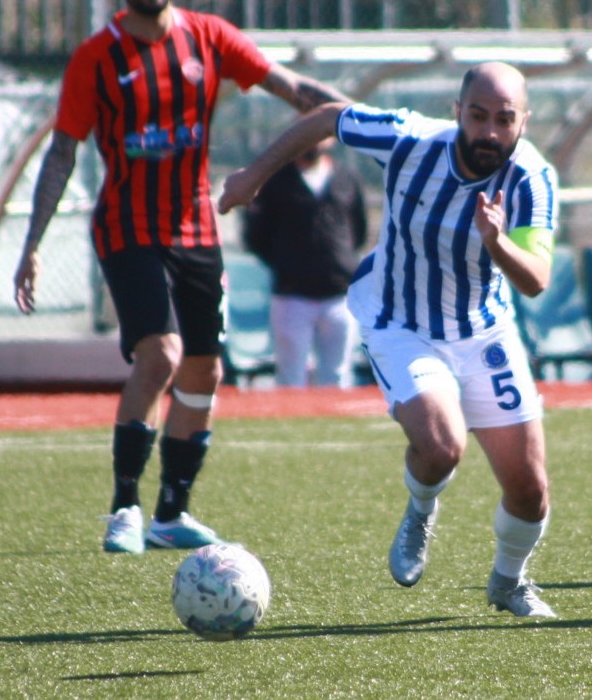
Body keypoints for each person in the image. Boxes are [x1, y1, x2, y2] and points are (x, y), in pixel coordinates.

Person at [13, 0, 342, 556]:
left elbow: (294, 90)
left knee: (204, 370)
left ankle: (171, 512)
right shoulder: (95, 58)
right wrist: (31, 243)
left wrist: (372, 122)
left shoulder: (209, 38)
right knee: (160, 355)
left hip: (196, 230)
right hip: (128, 230)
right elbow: (60, 155)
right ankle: (124, 508)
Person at [217, 62, 561, 619]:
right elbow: (327, 117)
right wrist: (254, 177)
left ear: (523, 122)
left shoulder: (531, 178)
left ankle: (509, 582)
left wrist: (497, 244)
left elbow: (536, 279)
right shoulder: (411, 140)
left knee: (530, 491)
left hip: (482, 330)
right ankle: (421, 510)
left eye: (504, 119)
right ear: (457, 113)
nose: (489, 132)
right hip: (400, 320)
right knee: (442, 445)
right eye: (477, 116)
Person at [242, 138, 369, 387]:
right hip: (292, 295)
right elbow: (256, 235)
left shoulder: (346, 177)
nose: (313, 143)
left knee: (337, 375)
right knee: (291, 375)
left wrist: (340, 261)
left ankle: (334, 425)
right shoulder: (276, 181)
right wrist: (285, 263)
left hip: (338, 294)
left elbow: (359, 231)